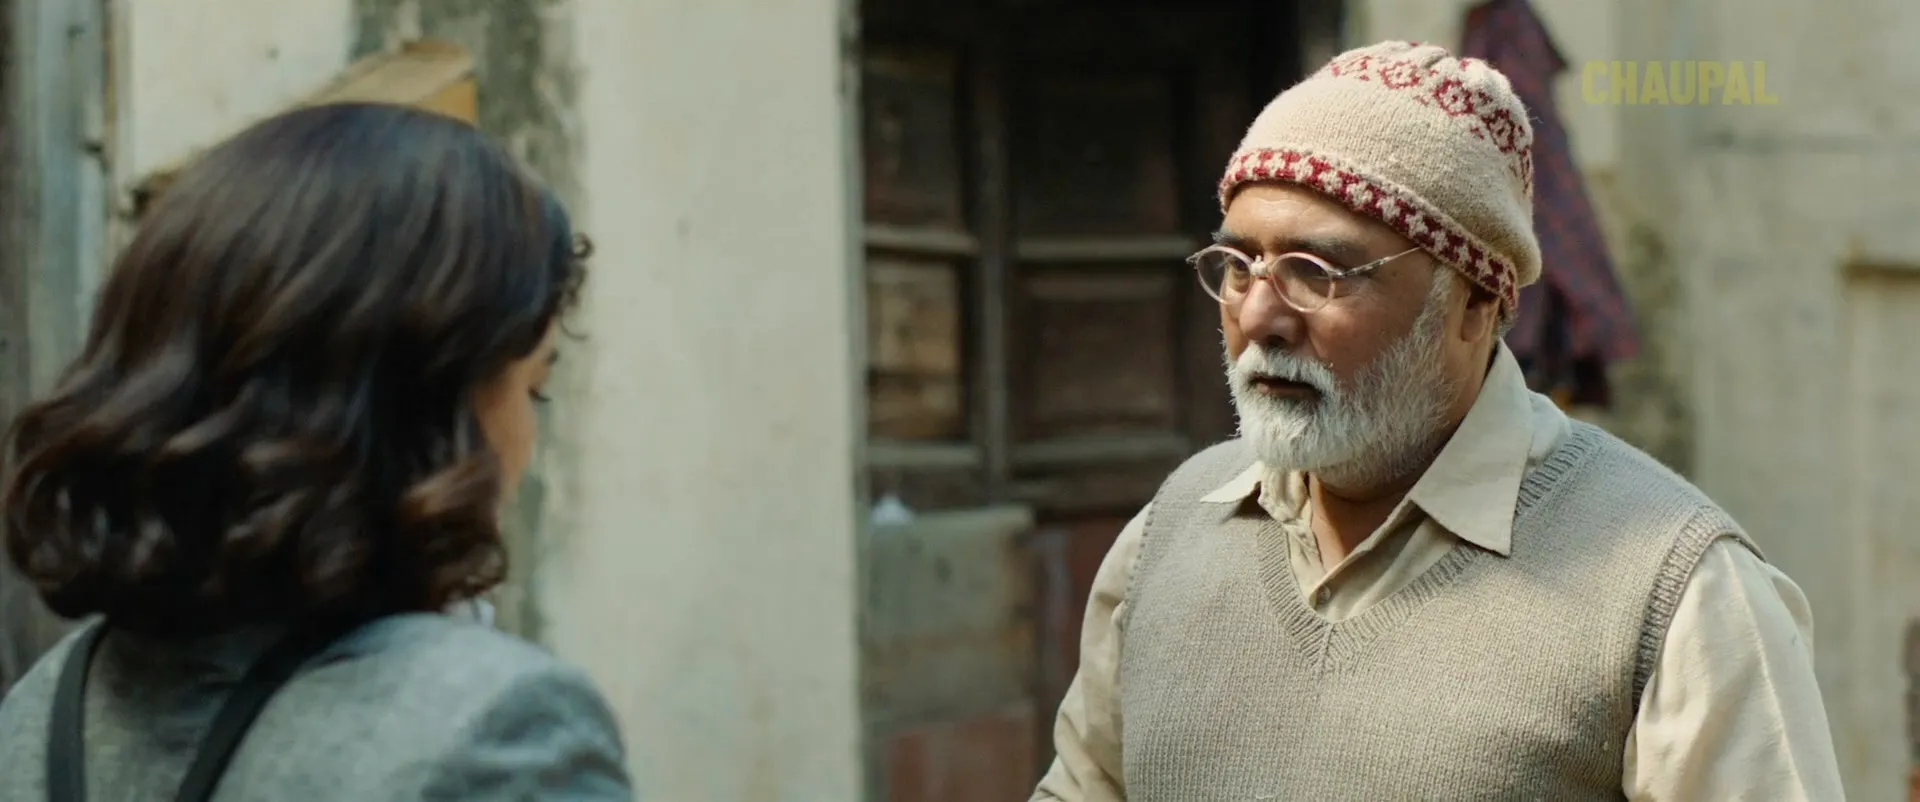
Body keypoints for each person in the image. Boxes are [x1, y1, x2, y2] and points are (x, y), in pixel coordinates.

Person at [1031, 41, 1843, 801]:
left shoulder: (1676, 592)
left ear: (1475, 303)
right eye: (1240, 266)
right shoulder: (1170, 533)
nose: (1260, 317)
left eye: (1316, 271)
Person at [0, 102, 632, 800]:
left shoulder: (37, 712)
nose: (527, 440)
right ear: (426, 405)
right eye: (533, 388)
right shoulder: (494, 724)